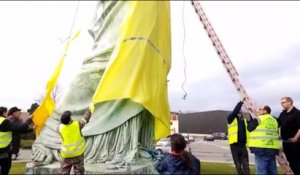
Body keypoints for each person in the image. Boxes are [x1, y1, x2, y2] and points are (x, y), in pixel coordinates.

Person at [247, 105, 279, 175]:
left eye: (260, 109)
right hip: (272, 148)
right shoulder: (274, 120)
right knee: (272, 171)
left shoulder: (259, 118)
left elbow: (249, 128)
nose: (258, 111)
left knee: (261, 171)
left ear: (265, 111)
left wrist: (251, 115)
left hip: (261, 148)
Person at [0, 106, 32, 175]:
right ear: (4, 112)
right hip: (3, 150)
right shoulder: (5, 121)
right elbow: (17, 129)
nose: (20, 113)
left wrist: (31, 129)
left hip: (4, 149)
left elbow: (17, 131)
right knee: (5, 168)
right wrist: (28, 121)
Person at [58, 110, 92, 175]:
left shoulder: (59, 128)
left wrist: (63, 116)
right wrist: (89, 110)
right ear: (70, 119)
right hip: (78, 154)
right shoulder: (77, 124)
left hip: (66, 154)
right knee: (78, 172)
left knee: (63, 172)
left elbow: (60, 123)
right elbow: (86, 118)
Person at [277, 97, 300, 175]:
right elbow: (277, 124)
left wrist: (296, 137)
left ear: (290, 102)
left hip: (295, 143)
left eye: (283, 102)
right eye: (281, 103)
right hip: (285, 142)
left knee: (296, 162)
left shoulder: (297, 113)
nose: (281, 104)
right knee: (290, 161)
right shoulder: (282, 114)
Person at [227, 101, 250, 175]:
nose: (240, 111)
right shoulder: (230, 119)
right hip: (234, 145)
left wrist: (250, 109)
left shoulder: (245, 120)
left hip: (243, 145)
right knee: (238, 165)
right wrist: (240, 103)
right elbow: (234, 112)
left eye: (241, 111)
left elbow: (252, 121)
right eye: (239, 110)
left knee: (246, 164)